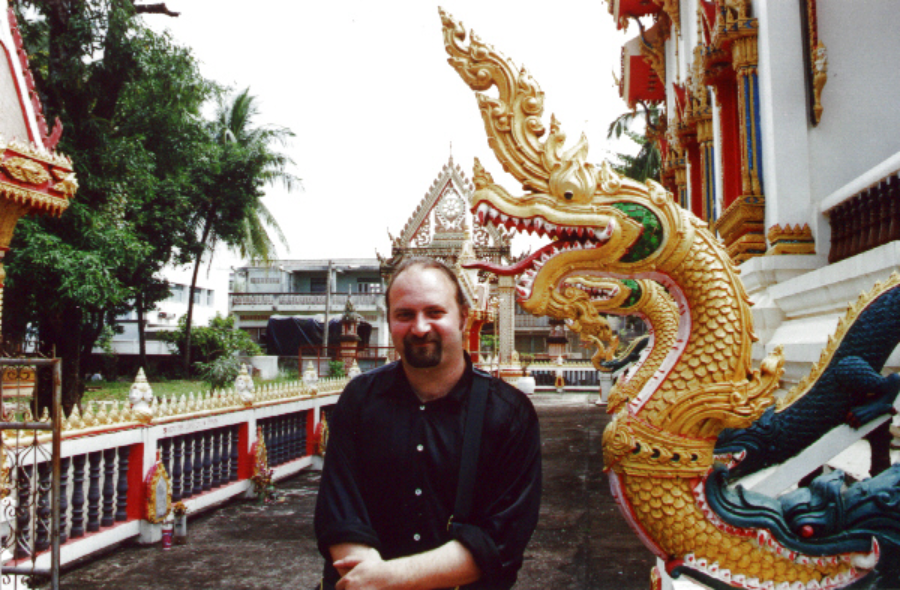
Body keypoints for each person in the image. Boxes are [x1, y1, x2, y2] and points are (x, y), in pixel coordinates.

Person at [314, 257, 542, 590]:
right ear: (389, 320)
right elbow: (340, 511)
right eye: (405, 315)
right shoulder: (360, 399)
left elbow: (500, 541)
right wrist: (367, 578)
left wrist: (386, 579)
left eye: (435, 312)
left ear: (464, 317)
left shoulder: (507, 413)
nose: (420, 328)